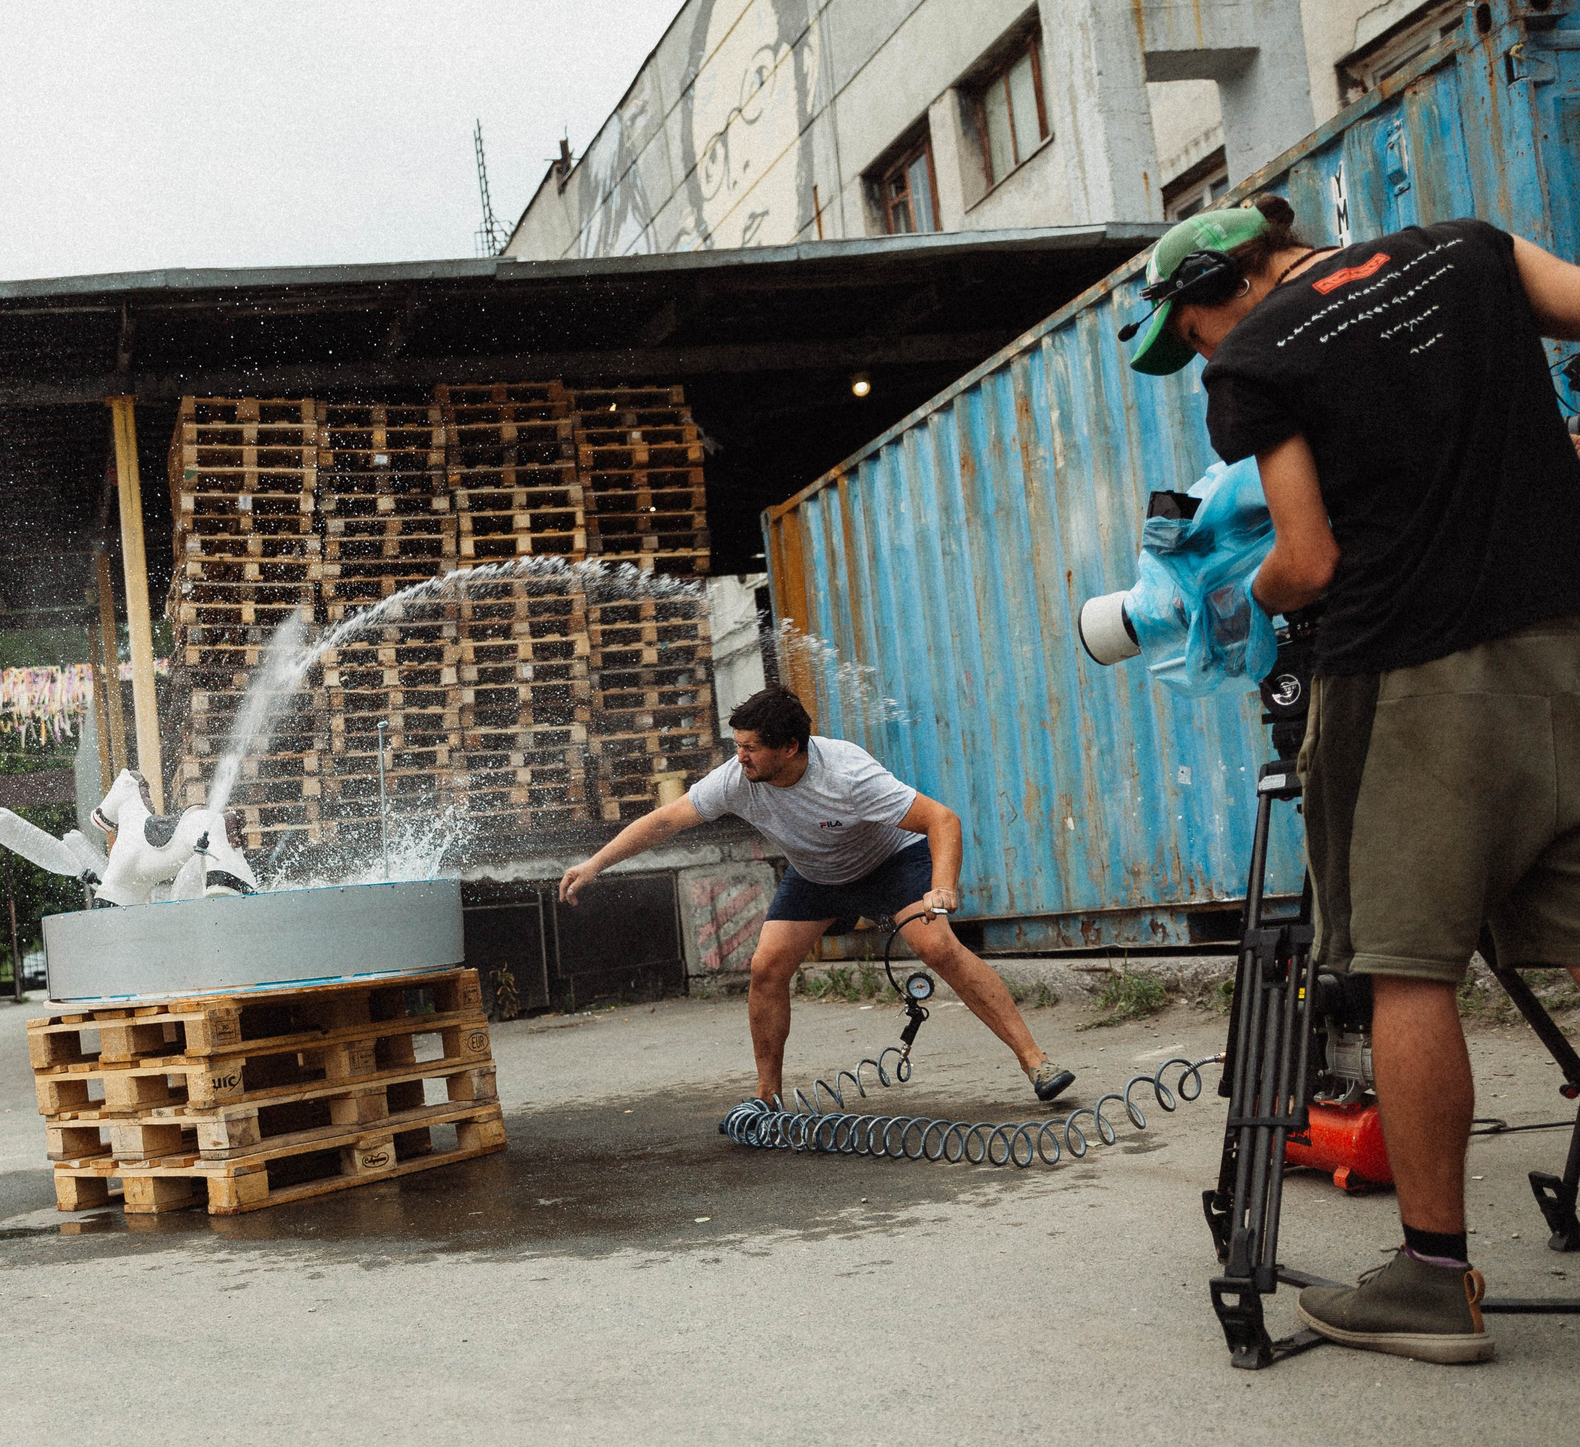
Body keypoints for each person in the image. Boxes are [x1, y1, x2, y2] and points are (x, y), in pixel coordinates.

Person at [1127, 195, 1580, 1363]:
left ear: (1220, 287)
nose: (1202, 356)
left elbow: (1310, 557)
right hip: (1567, 638)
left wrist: (1243, 598)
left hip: (1414, 674)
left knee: (1403, 963)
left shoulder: (1259, 360)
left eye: (1191, 333)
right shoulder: (1466, 252)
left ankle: (1430, 1279)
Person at [559, 686, 1073, 1110]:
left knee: (937, 947)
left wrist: (943, 885)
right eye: (737, 745)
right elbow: (665, 821)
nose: (740, 758)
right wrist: (595, 864)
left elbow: (942, 820)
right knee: (766, 968)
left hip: (891, 864)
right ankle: (766, 1097)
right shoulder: (737, 779)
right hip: (818, 875)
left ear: (789, 747)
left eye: (750, 748)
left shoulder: (847, 775)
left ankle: (1036, 1062)